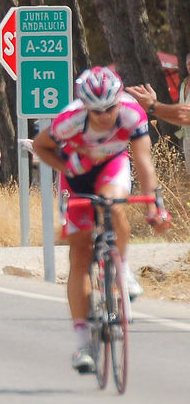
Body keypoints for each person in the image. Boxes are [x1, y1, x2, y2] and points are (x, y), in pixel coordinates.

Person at [32, 67, 169, 373]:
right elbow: (41, 146)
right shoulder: (69, 121)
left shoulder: (132, 115)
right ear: (85, 107)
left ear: (119, 101)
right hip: (77, 173)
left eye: (110, 108)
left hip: (112, 166)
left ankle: (121, 267)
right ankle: (83, 343)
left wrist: (155, 207)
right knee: (79, 254)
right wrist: (67, 168)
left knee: (113, 204)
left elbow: (144, 162)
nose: (105, 115)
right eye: (97, 111)